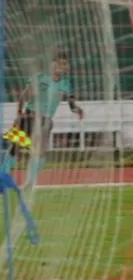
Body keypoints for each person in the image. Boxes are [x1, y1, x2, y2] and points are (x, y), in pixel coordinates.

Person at [2, 52, 84, 184]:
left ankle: (30, 181)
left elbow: (71, 103)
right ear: (53, 64)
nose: (63, 67)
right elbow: (26, 94)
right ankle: (3, 175)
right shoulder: (40, 77)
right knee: (15, 146)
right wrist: (19, 112)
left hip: (46, 121)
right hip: (29, 116)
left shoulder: (65, 83)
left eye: (65, 65)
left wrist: (77, 109)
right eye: (61, 64)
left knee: (41, 152)